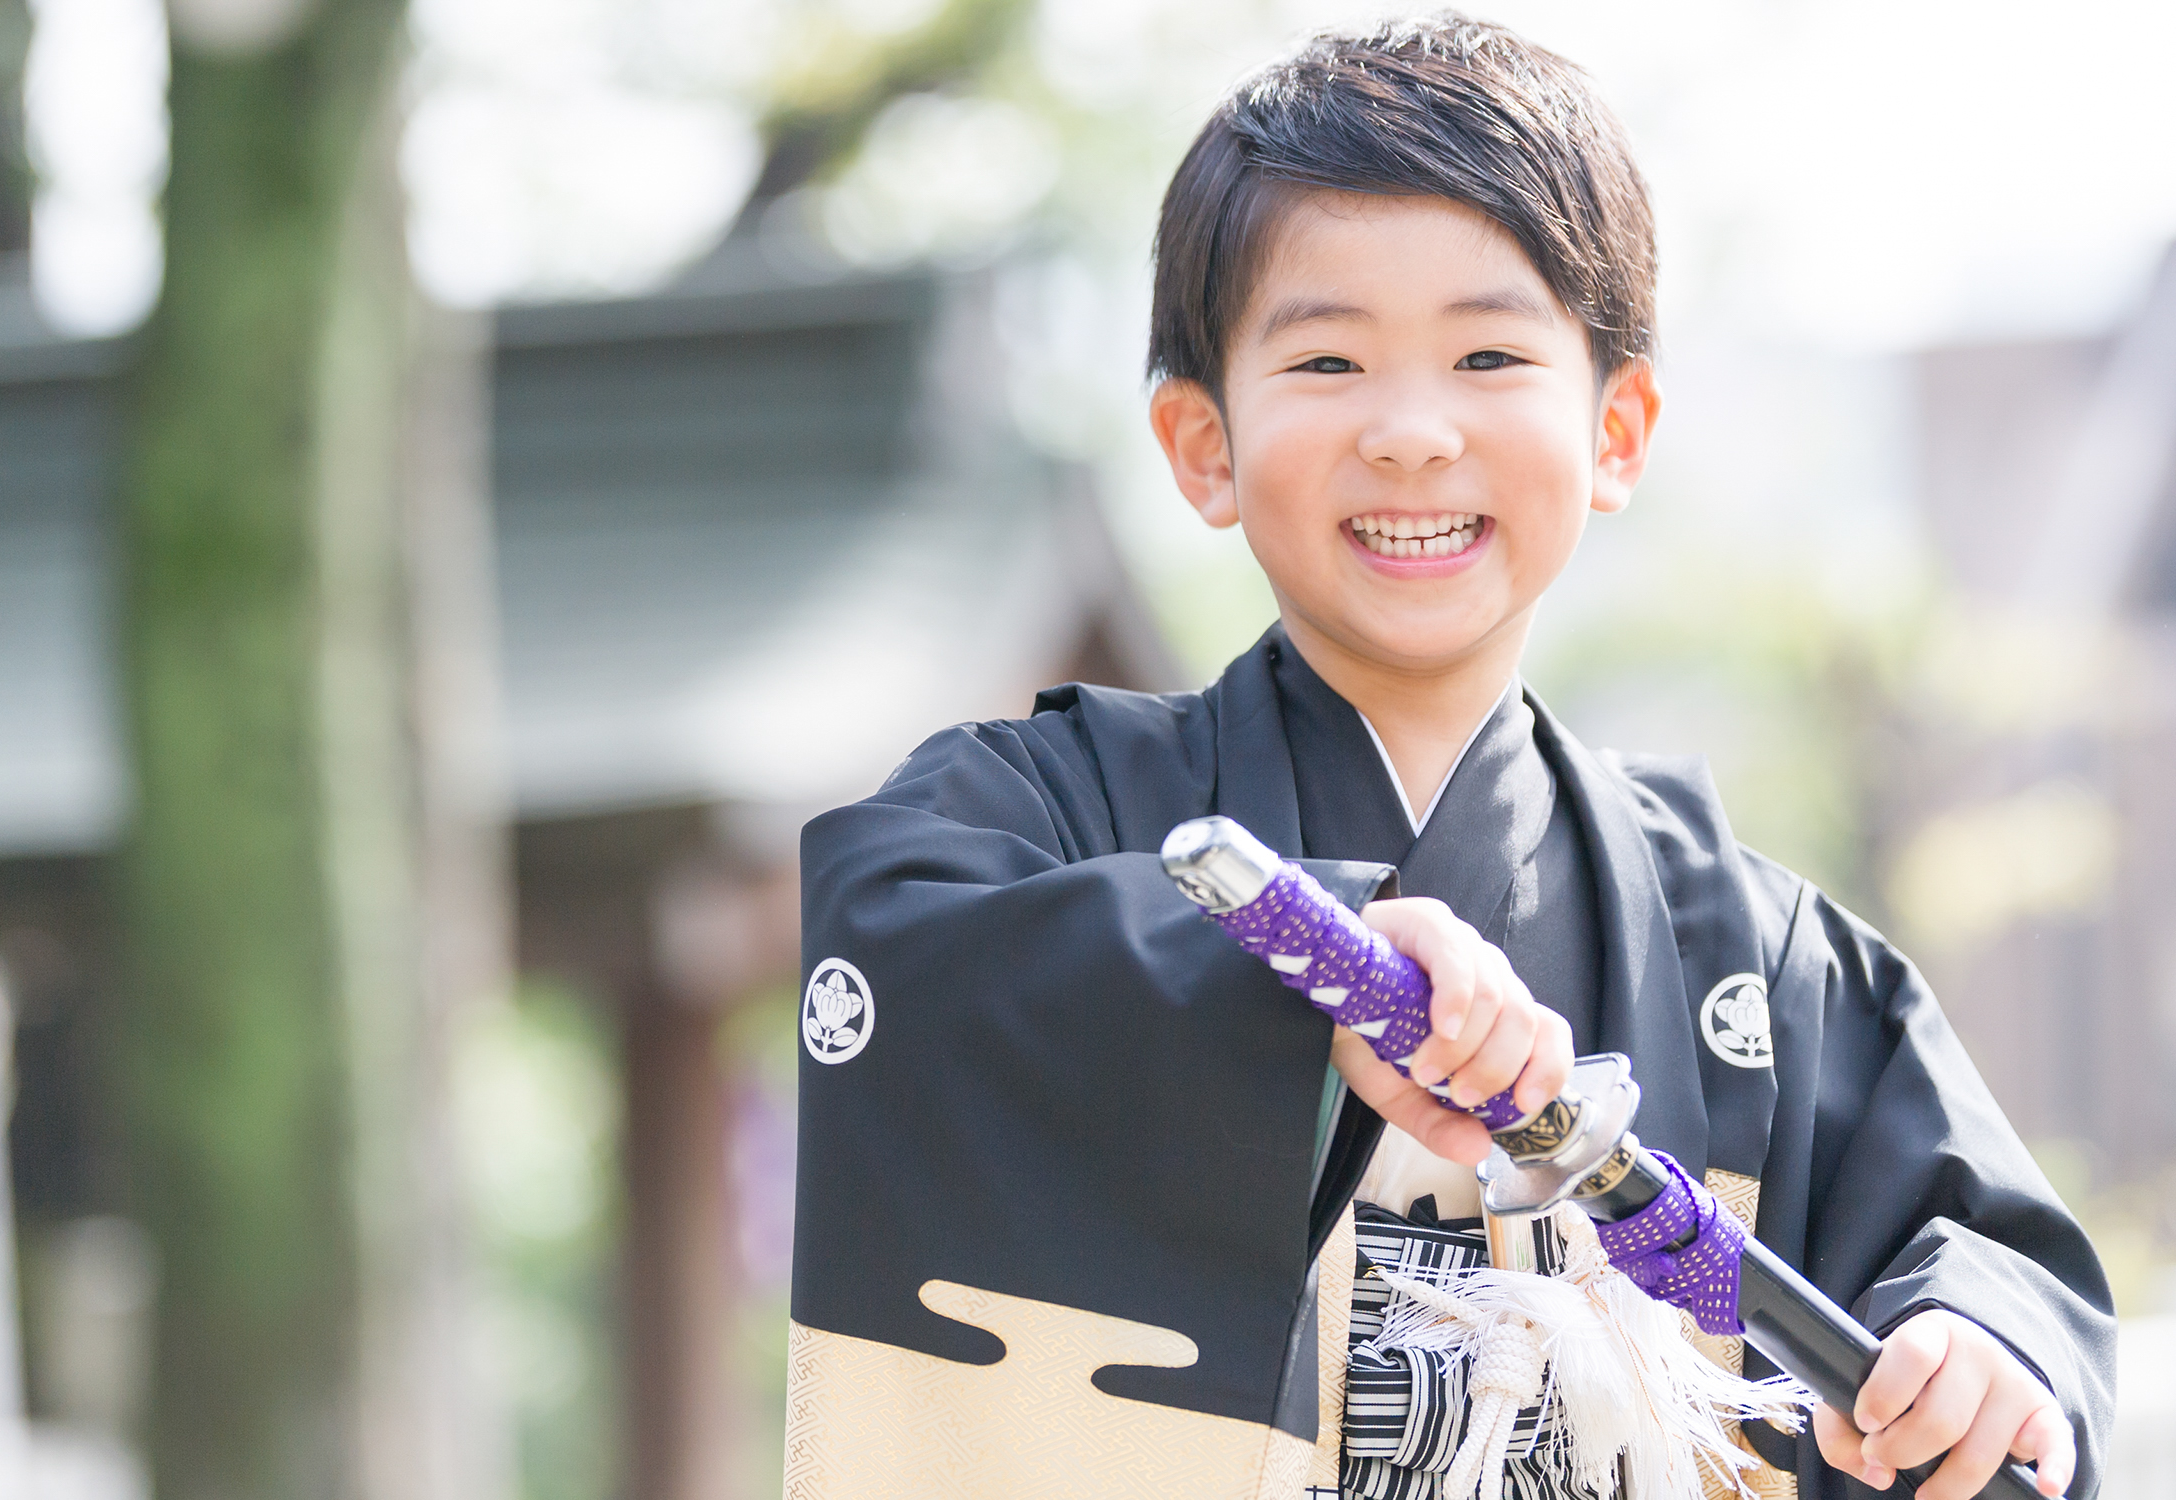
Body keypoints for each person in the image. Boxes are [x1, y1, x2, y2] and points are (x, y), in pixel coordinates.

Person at [784, 15, 2115, 1500]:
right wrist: (1285, 977)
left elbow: (1985, 1255)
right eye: (1329, 359)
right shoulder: (1059, 810)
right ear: (1199, 443)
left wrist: (1974, 1349)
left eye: (1488, 354)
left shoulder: (1755, 963)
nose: (1411, 432)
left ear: (1615, 428)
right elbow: (886, 960)